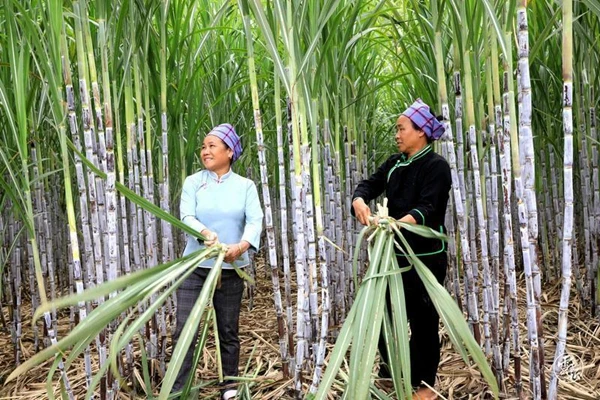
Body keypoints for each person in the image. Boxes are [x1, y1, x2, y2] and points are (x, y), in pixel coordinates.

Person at [352, 99, 451, 400]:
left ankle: (425, 385)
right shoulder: (395, 164)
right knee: (382, 315)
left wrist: (396, 223)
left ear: (421, 132)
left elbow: (428, 207)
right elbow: (369, 185)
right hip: (391, 256)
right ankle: (392, 370)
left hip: (424, 257)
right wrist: (358, 200)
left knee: (423, 321)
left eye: (401, 129)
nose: (397, 134)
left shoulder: (437, 167)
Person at [173, 123, 263, 400]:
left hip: (231, 268)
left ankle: (229, 387)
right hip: (195, 266)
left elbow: (255, 220)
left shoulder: (245, 186)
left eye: (212, 146)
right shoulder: (193, 182)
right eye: (203, 146)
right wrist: (205, 234)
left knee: (228, 328)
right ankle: (179, 389)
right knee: (185, 327)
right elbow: (186, 216)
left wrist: (241, 246)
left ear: (229, 152)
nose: (205, 151)